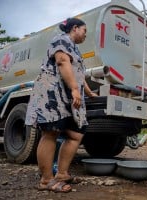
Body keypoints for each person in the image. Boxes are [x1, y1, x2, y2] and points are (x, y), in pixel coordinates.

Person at [25, 18, 97, 193]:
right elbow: (62, 62)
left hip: (66, 95)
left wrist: (88, 93)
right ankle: (46, 180)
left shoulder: (76, 49)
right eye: (84, 30)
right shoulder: (61, 39)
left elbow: (78, 74)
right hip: (52, 90)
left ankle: (62, 174)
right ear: (75, 28)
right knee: (51, 132)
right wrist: (74, 89)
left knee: (76, 134)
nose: (85, 34)